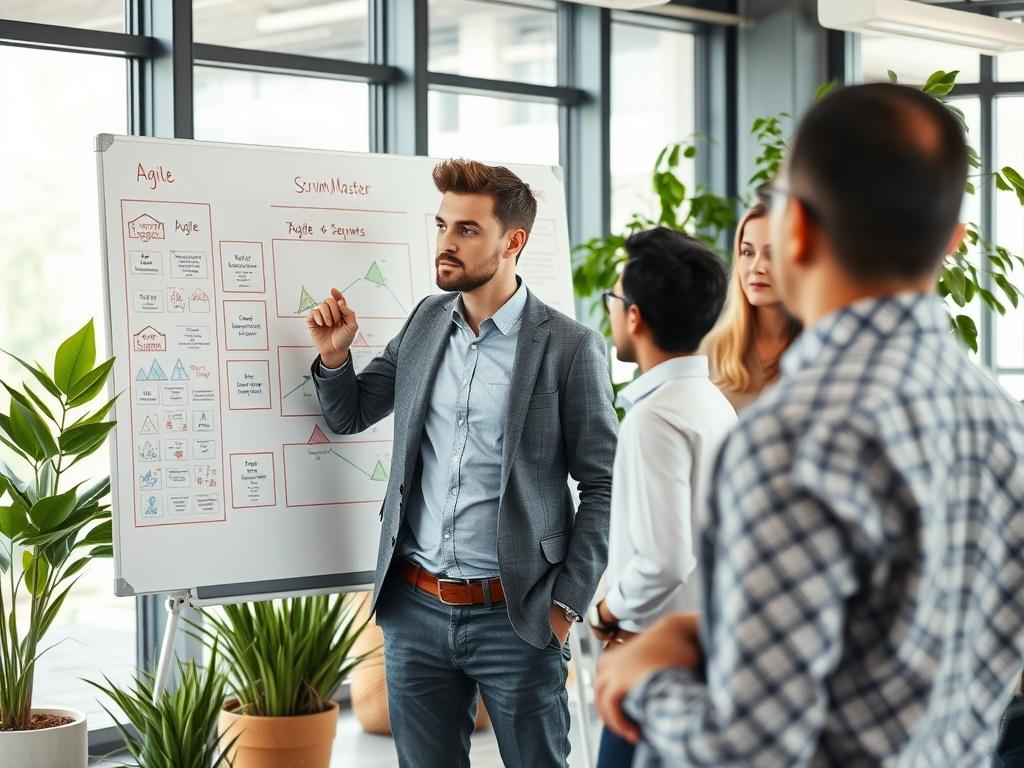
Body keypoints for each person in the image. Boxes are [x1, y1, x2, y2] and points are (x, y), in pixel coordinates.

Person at [595, 82, 1024, 766]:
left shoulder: (795, 434)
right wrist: (712, 635)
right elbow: (907, 646)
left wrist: (646, 680)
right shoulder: (1000, 421)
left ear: (794, 229)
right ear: (954, 240)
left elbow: (743, 750)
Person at [308, 158, 618, 768]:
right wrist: (336, 358)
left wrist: (563, 607)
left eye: (467, 230)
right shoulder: (425, 321)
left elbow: (604, 484)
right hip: (414, 609)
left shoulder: (568, 347)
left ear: (513, 242)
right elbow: (352, 414)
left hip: (518, 615)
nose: (446, 244)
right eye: (443, 225)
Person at [589, 228, 736, 768]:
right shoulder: (711, 400)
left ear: (634, 317)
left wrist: (606, 611)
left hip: (652, 661)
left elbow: (665, 559)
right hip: (702, 652)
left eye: (613, 299)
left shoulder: (655, 417)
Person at [699, 202, 800, 411]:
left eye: (771, 254)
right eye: (747, 252)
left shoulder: (818, 344)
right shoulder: (712, 349)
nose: (756, 267)